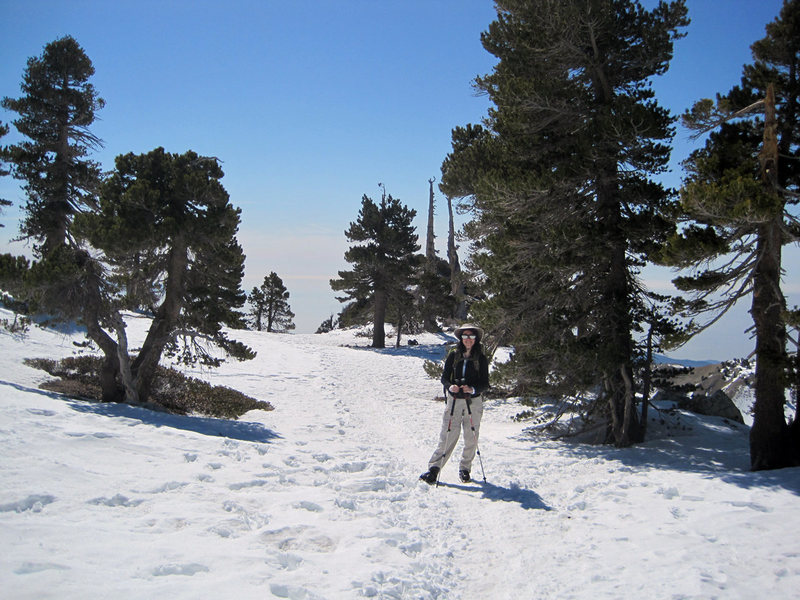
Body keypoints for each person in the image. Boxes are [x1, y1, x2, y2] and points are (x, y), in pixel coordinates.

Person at [420, 324, 490, 485]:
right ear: (460, 338)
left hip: (474, 401)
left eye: (471, 337)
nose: (468, 340)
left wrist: (472, 389)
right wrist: (450, 386)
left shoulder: (481, 358)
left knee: (471, 436)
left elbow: (485, 383)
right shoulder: (454, 355)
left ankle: (465, 468)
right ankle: (434, 469)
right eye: (465, 336)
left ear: (476, 339)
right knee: (448, 433)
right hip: (454, 400)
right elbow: (444, 378)